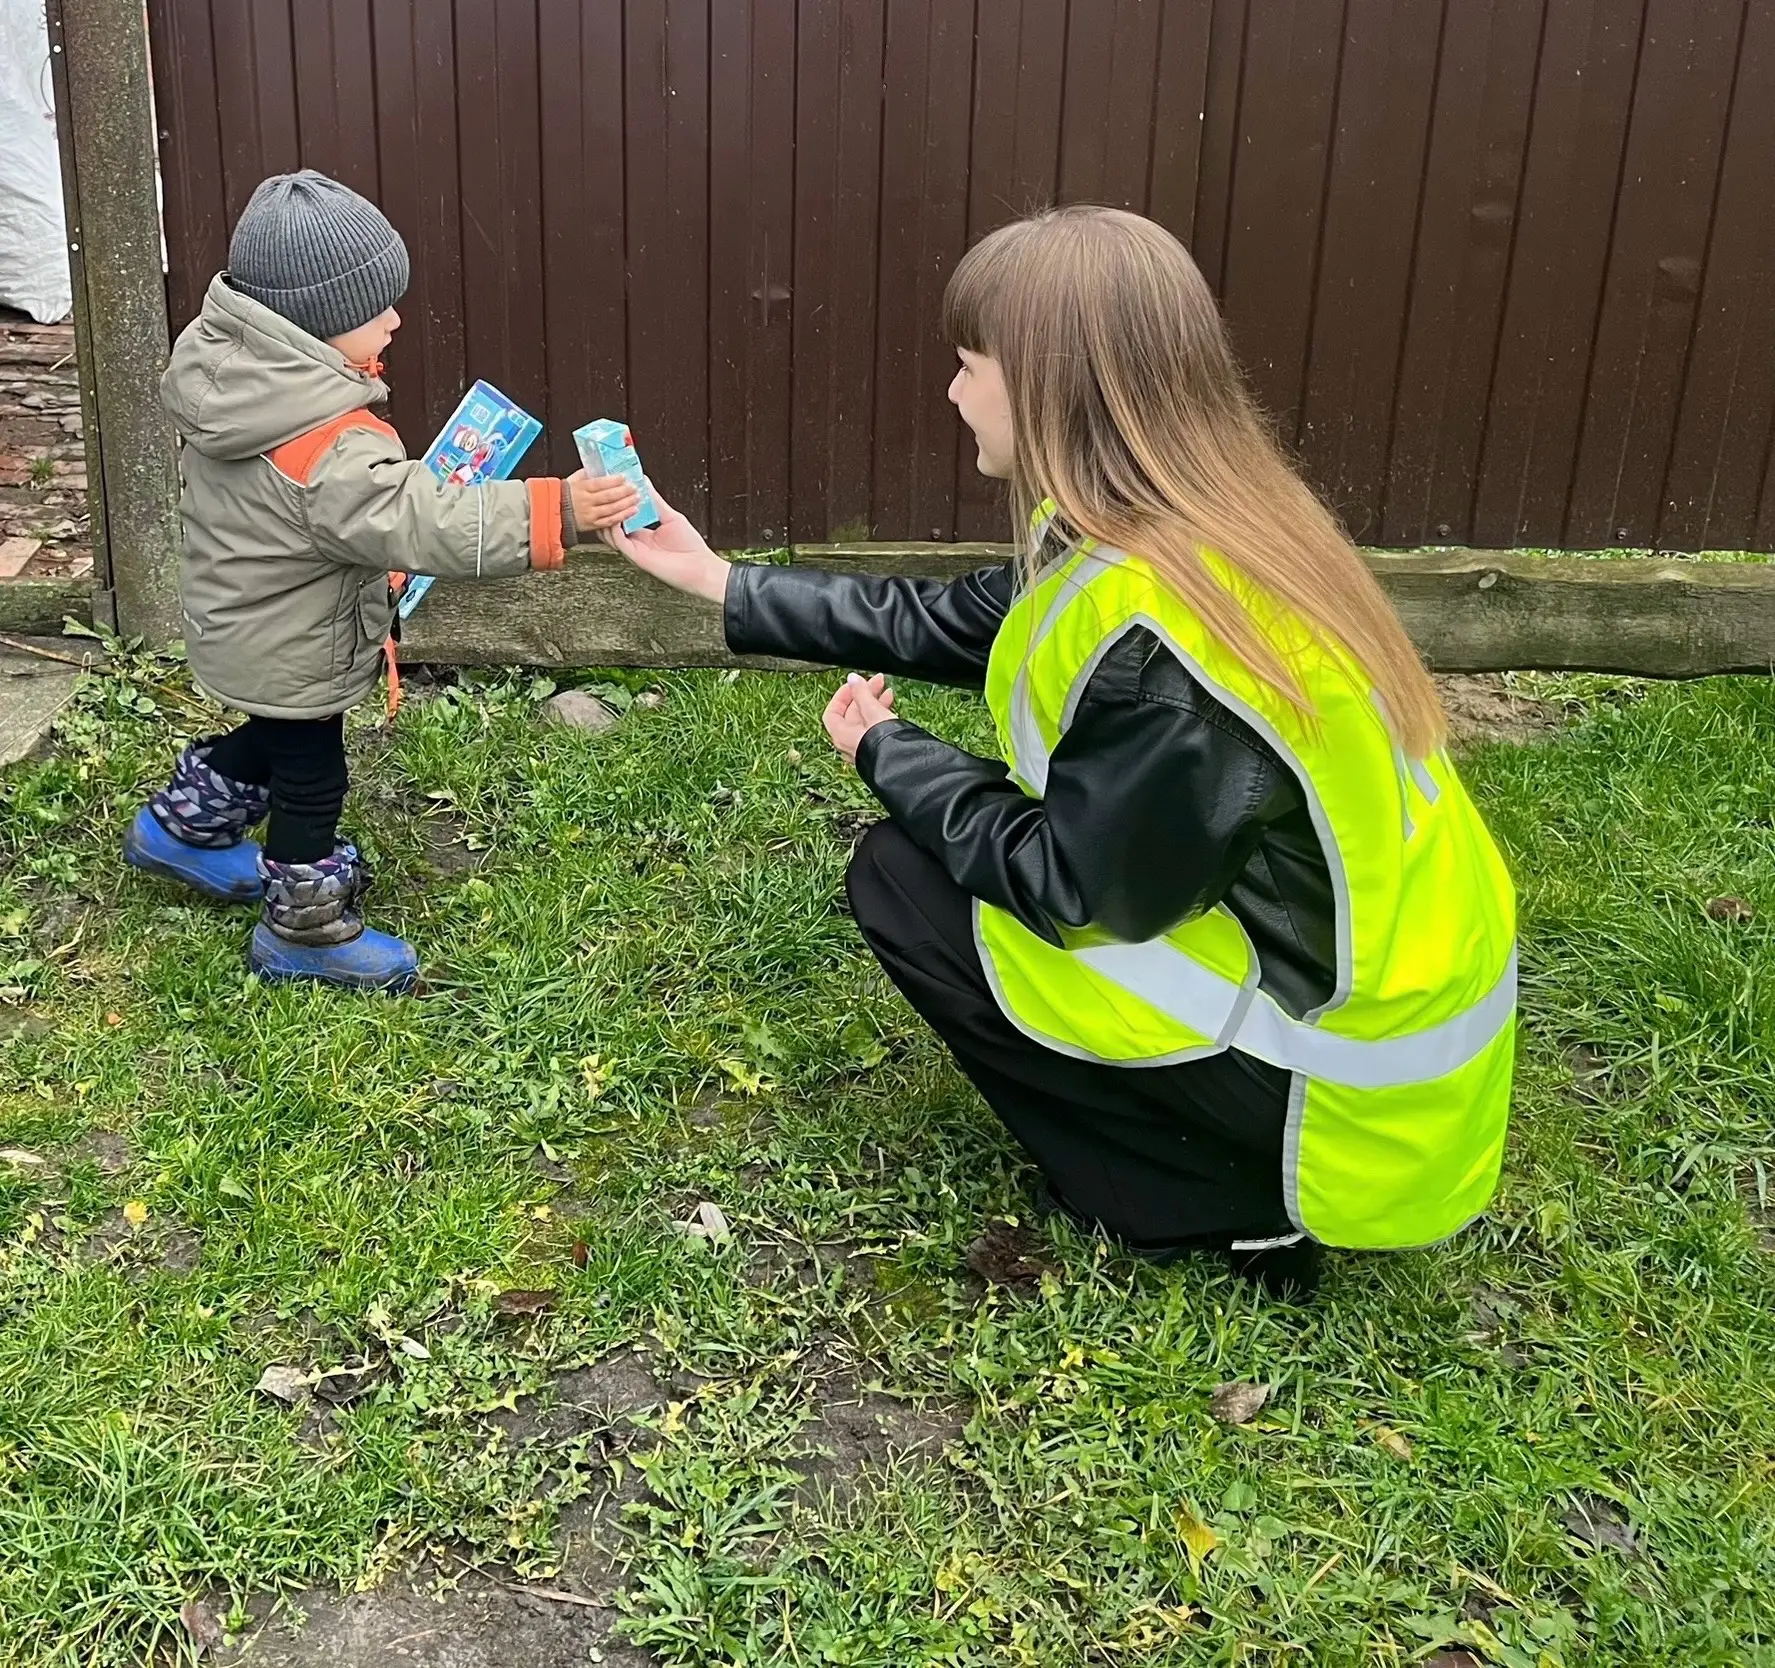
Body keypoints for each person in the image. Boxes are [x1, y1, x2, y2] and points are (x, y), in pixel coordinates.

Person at [610, 206, 1518, 1294]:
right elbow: (955, 621)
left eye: (968, 366)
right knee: (932, 864)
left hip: (1339, 1094)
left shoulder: (1167, 646)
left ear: (1048, 385)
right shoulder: (1198, 526)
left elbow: (1074, 889)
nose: (952, 393)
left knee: (905, 882)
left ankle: (1209, 1206)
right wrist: (717, 579)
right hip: (1372, 1001)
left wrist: (889, 754)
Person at [124, 171, 639, 991]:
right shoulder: (327, 442)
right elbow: (422, 520)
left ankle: (178, 832)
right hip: (293, 638)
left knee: (274, 733)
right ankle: (304, 929)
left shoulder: (237, 379)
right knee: (310, 774)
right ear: (317, 322)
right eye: (377, 307)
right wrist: (558, 510)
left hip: (248, 618)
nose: (395, 319)